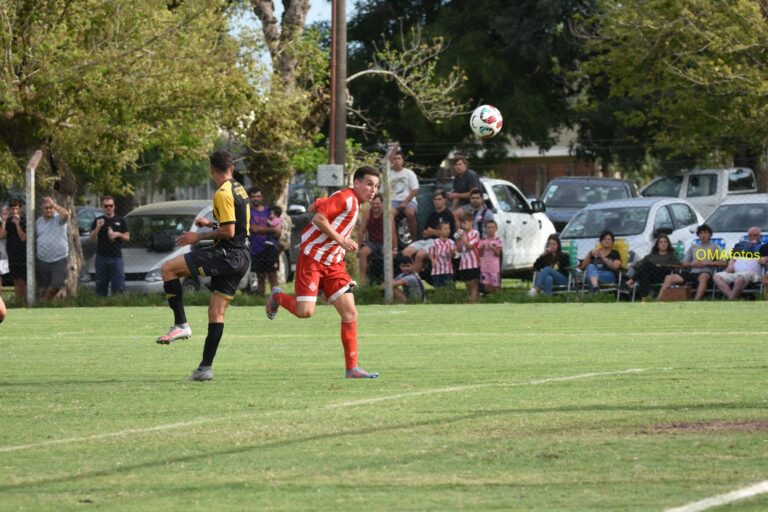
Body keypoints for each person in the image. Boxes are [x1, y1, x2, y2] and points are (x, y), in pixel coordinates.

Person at [265, 166, 381, 379]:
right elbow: (319, 218)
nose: (373, 190)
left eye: (376, 186)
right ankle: (278, 297)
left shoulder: (351, 201)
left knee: (350, 313)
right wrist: (342, 240)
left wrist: (317, 204)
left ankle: (352, 368)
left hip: (334, 264)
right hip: (312, 258)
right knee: (305, 312)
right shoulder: (347, 198)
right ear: (356, 183)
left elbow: (316, 206)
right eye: (369, 184)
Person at [155, 150, 251, 382]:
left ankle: (181, 324)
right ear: (231, 167)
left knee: (168, 268)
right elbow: (234, 224)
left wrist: (198, 236)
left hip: (227, 254)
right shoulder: (239, 188)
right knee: (215, 312)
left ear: (211, 169)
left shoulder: (222, 193)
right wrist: (211, 223)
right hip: (242, 256)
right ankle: (204, 369)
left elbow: (228, 232)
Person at [659, 224, 725, 301]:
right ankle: (657, 300)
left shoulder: (715, 247)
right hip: (692, 272)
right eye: (700, 233)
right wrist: (692, 264)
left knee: (703, 276)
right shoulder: (693, 247)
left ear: (710, 234)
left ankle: (695, 301)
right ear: (698, 235)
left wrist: (706, 263)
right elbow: (683, 264)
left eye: (705, 232)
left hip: (705, 272)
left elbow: (723, 262)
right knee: (669, 277)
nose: (703, 235)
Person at [401, 189, 456, 273]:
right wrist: (437, 231)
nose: (437, 202)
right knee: (405, 252)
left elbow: (446, 234)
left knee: (420, 255)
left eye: (439, 199)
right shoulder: (432, 215)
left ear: (445, 200)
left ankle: (415, 278)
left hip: (439, 242)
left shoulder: (448, 215)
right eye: (435, 199)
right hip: (426, 241)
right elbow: (424, 233)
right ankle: (409, 275)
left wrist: (433, 232)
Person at [712, 226, 768, 300]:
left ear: (760, 236)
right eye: (750, 235)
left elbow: (764, 260)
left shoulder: (763, 247)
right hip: (735, 273)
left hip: (753, 274)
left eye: (755, 235)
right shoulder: (740, 247)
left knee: (740, 278)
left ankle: (731, 299)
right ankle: (731, 297)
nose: (752, 237)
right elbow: (732, 258)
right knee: (717, 276)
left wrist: (762, 259)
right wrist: (731, 264)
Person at [90, 196, 129, 297]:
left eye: (110, 206)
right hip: (101, 257)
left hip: (116, 258)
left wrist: (118, 234)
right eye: (106, 206)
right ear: (103, 207)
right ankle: (101, 306)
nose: (108, 208)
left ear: (114, 206)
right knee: (101, 285)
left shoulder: (120, 220)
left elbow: (127, 237)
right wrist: (98, 227)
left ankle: (117, 306)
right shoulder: (98, 220)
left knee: (119, 285)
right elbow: (93, 238)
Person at [624, 234, 679, 300]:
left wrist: (661, 265)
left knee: (647, 264)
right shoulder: (651, 255)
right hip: (651, 276)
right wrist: (635, 266)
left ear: (668, 244)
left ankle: (630, 282)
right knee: (645, 273)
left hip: (663, 275)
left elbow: (677, 265)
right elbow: (639, 263)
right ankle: (644, 298)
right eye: (660, 242)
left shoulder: (671, 255)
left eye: (665, 242)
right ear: (657, 244)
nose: (663, 244)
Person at [247, 187, 280, 296]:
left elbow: (278, 230)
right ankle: (261, 300)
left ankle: (277, 299)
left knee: (273, 275)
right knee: (260, 276)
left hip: (271, 249)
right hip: (256, 249)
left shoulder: (269, 211)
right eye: (253, 197)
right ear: (250, 198)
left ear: (262, 197)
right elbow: (254, 229)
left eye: (258, 196)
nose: (256, 199)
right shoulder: (249, 212)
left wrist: (275, 231)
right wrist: (272, 229)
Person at [35, 196, 70, 300]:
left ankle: (45, 302)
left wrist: (54, 204)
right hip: (42, 260)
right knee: (44, 288)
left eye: (51, 207)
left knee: (56, 285)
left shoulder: (59, 219)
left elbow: (66, 214)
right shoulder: (38, 221)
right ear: (43, 209)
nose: (49, 210)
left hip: (58, 259)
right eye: (46, 208)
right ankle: (45, 306)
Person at [358, 194, 396, 286]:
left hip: (385, 242)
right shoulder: (368, 213)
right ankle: (362, 280)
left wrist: (395, 248)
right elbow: (361, 231)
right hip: (373, 243)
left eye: (377, 204)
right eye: (373, 204)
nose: (375, 206)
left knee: (386, 253)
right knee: (363, 252)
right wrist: (358, 247)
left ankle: (387, 280)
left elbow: (393, 232)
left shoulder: (387, 214)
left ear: (382, 204)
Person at [389, 151, 419, 241]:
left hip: (409, 200)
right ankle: (393, 244)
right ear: (392, 161)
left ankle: (414, 240)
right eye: (395, 159)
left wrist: (405, 202)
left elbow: (415, 190)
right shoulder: (388, 174)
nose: (397, 161)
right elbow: (383, 191)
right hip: (393, 201)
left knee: (410, 213)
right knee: (388, 215)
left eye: (399, 158)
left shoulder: (409, 173)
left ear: (402, 160)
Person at [2, 198, 27, 304]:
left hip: (23, 254)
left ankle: (26, 301)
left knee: (25, 280)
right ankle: (18, 301)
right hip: (12, 254)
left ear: (20, 209)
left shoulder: (24, 220)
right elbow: (2, 235)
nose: (15, 211)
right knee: (16, 280)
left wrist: (17, 224)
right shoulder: (8, 221)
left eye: (17, 209)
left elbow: (23, 238)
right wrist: (3, 221)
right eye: (13, 209)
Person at [446, 154, 480, 223]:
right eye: (456, 165)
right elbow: (456, 197)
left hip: (473, 204)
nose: (458, 166)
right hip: (462, 205)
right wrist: (452, 208)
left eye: (460, 164)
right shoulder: (457, 178)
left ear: (465, 165)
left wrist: (455, 195)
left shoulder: (471, 175)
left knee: (455, 215)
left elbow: (474, 194)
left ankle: (459, 233)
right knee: (448, 215)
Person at [455, 212, 481, 303]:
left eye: (465, 222)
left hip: (473, 263)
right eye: (462, 223)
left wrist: (463, 238)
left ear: (471, 222)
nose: (463, 225)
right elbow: (458, 250)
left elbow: (470, 246)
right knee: (467, 284)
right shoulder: (462, 235)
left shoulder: (475, 233)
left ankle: (472, 302)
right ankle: (475, 300)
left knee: (473, 284)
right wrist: (458, 239)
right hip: (464, 263)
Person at [428, 221, 456, 288]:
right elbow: (430, 253)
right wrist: (432, 260)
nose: (448, 231)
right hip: (437, 270)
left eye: (448, 229)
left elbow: (453, 256)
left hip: (448, 270)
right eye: (445, 229)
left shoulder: (451, 242)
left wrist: (452, 253)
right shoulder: (435, 242)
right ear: (439, 231)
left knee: (449, 289)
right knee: (439, 289)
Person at [478, 219, 502, 294]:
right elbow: (480, 254)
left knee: (495, 285)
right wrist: (481, 248)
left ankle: (496, 298)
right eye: (488, 227)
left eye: (492, 227)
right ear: (485, 229)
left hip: (494, 267)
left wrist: (492, 247)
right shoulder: (482, 240)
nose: (490, 229)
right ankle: (489, 298)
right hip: (485, 266)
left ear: (496, 229)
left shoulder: (498, 240)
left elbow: (497, 254)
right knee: (486, 285)